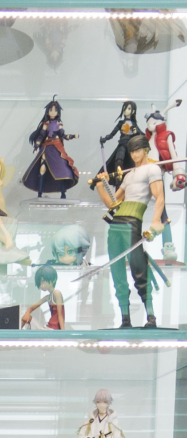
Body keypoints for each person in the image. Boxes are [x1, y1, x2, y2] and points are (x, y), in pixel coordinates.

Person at [89, 133, 165, 327]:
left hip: (132, 223)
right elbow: (112, 204)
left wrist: (155, 223)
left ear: (146, 149)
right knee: (117, 271)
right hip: (116, 224)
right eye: (131, 151)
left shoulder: (152, 169)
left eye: (137, 150)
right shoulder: (129, 175)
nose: (134, 154)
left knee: (139, 268)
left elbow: (160, 197)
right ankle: (125, 318)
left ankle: (151, 317)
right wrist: (101, 185)